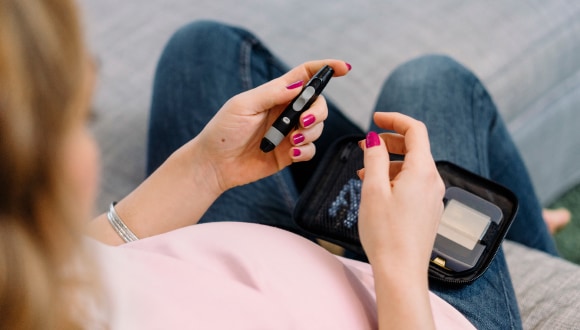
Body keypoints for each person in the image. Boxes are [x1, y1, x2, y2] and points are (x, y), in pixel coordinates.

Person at [0, 0, 561, 328]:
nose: (85, 148)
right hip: (407, 306)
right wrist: (398, 264)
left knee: (204, 47)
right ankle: (530, 248)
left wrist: (204, 170)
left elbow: (77, 269)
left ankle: (498, 231)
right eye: (78, 120)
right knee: (430, 80)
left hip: (232, 261)